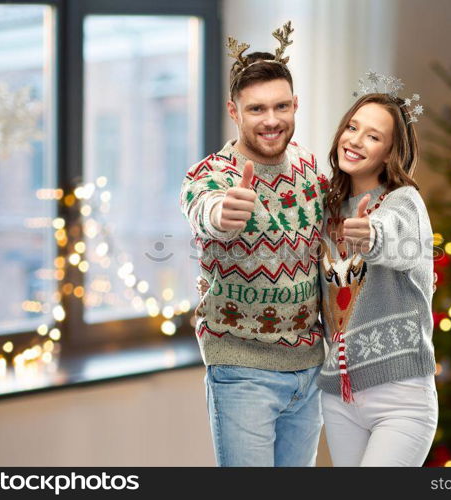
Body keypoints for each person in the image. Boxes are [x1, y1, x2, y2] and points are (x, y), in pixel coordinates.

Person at [180, 22, 327, 467]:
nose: (271, 120)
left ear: (295, 105)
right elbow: (205, 210)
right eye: (257, 109)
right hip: (243, 371)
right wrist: (224, 213)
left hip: (309, 368)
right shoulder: (211, 175)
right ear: (234, 110)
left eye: (281, 106)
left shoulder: (307, 165)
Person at [316, 80, 438, 467]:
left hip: (400, 397)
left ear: (389, 154)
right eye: (352, 128)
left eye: (373, 136)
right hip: (339, 395)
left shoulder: (405, 203)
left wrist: (372, 234)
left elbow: (399, 240)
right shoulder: (327, 209)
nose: (355, 140)